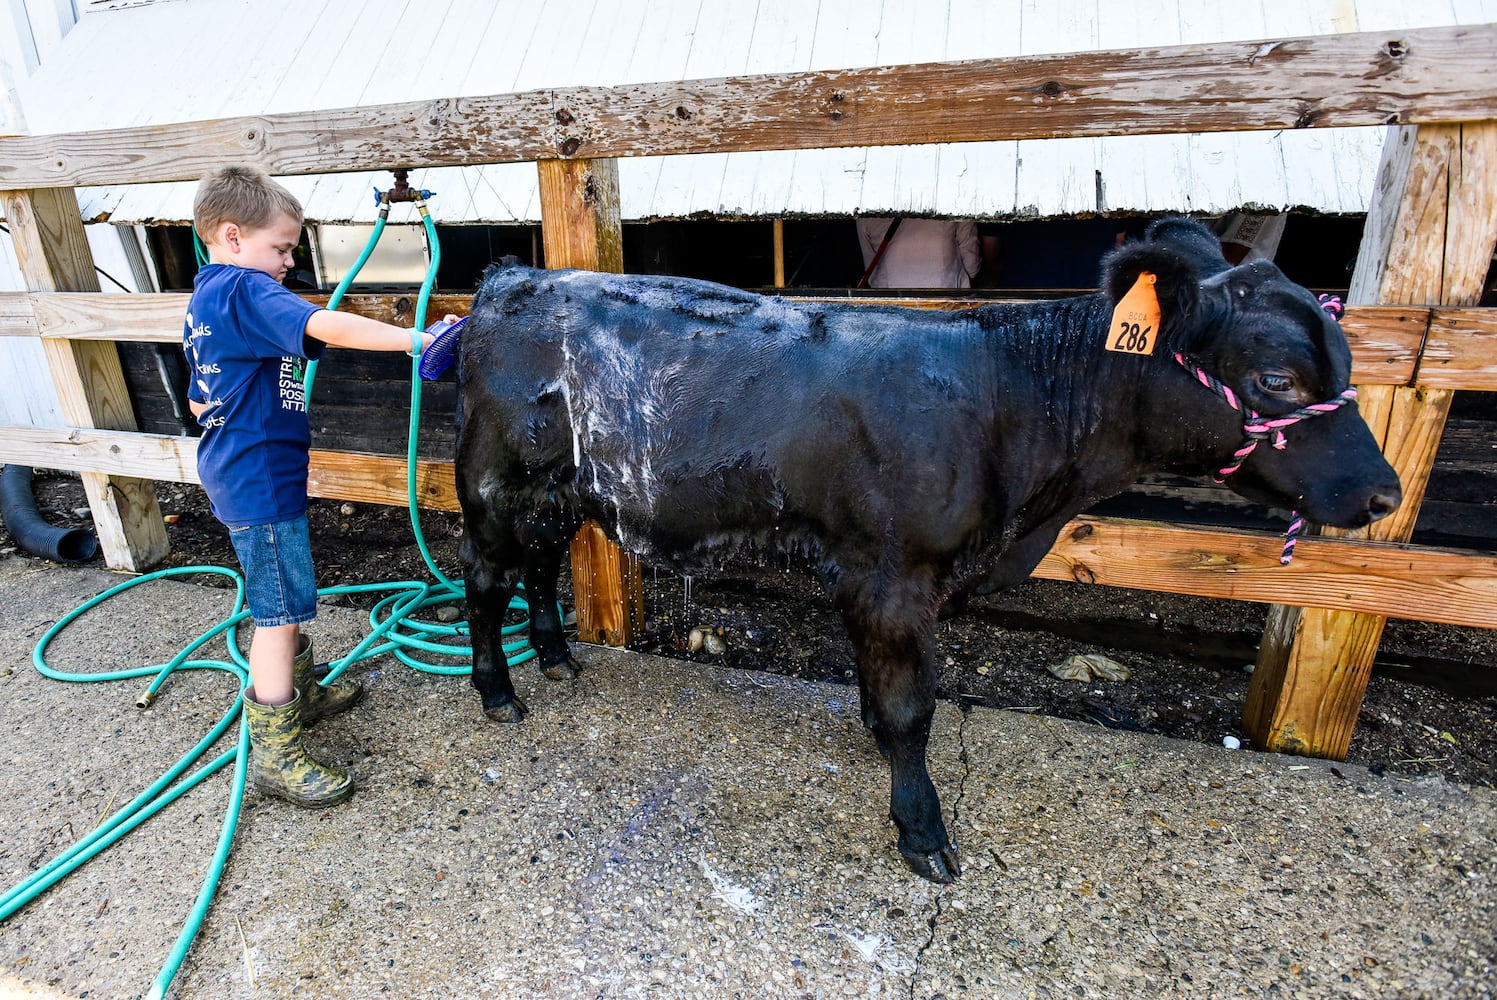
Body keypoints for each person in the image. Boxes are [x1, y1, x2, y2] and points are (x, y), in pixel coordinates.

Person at [184, 165, 440, 807]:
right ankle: (275, 749)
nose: (288, 260)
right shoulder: (246, 290)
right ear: (233, 236)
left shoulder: (208, 298)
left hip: (242, 470)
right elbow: (326, 325)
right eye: (281, 247)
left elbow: (198, 400)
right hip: (260, 483)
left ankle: (303, 693)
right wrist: (416, 340)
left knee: (287, 595)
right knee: (280, 612)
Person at [855, 217, 982, 289]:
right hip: (947, 301)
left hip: (891, 305)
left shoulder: (866, 208)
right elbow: (971, 264)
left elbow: (870, 269)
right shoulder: (954, 196)